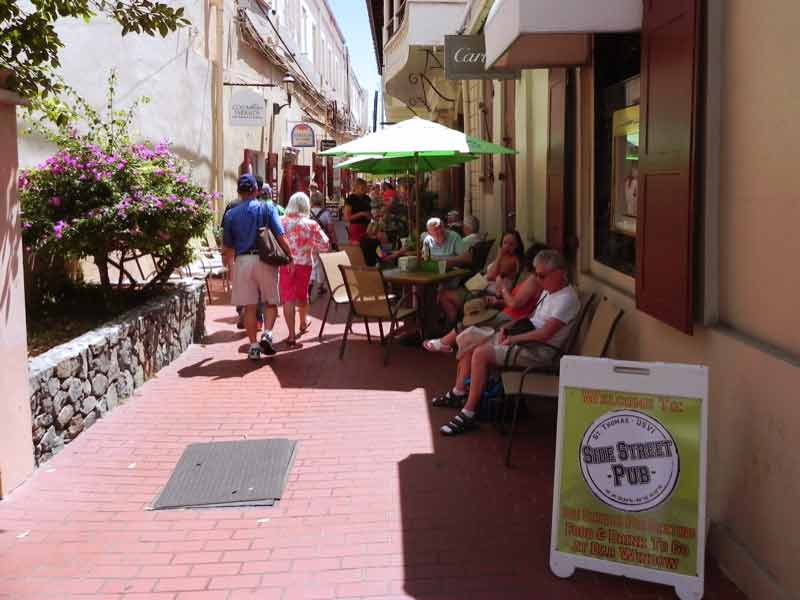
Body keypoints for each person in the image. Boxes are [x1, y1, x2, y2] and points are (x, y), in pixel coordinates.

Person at [434, 249, 580, 436]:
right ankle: (458, 392)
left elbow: (544, 334)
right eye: (535, 274)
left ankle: (468, 412)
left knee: (480, 353)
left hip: (538, 352)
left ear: (559, 273)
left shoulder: (567, 299)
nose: (538, 279)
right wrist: (508, 328)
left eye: (542, 275)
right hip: (524, 339)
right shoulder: (550, 291)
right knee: (471, 337)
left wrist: (512, 339)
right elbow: (531, 318)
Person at [423, 243, 548, 353]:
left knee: (473, 321)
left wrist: (503, 288)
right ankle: (448, 340)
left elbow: (515, 304)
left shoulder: (533, 280)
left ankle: (444, 342)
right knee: (472, 317)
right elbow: (519, 302)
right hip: (506, 311)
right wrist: (498, 302)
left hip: (510, 317)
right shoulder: (533, 278)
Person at [222, 174, 293, 361]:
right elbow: (280, 235)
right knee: (270, 302)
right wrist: (290, 256)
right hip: (265, 260)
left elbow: (227, 247)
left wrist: (227, 264)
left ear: (239, 191)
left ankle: (253, 346)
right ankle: (267, 334)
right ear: (256, 190)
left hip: (243, 261)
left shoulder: (230, 214)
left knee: (250, 306)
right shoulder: (267, 208)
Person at [437, 229, 523, 325]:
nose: (507, 246)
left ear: (517, 246)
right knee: (444, 295)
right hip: (479, 287)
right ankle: (452, 324)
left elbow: (491, 275)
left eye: (511, 244)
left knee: (444, 295)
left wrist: (499, 256)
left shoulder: (512, 260)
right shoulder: (505, 257)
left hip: (488, 293)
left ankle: (452, 325)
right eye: (505, 243)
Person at [279, 192, 330, 348]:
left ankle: (291, 335)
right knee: (302, 294)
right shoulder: (311, 224)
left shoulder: (281, 222)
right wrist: (311, 246)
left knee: (288, 298)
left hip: (286, 263)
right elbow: (325, 245)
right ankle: (303, 322)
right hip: (305, 263)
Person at [310, 186, 335, 294]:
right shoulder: (326, 213)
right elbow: (330, 230)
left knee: (312, 263)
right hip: (323, 242)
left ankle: (310, 284)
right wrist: (334, 241)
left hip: (310, 242)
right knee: (321, 264)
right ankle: (320, 286)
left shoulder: (308, 212)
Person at [344, 178, 372, 243]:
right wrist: (361, 214)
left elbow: (370, 212)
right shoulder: (351, 198)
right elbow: (346, 218)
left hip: (368, 227)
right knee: (357, 249)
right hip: (356, 227)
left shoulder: (367, 198)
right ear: (357, 187)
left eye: (365, 187)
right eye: (363, 187)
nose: (365, 189)